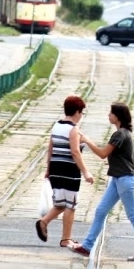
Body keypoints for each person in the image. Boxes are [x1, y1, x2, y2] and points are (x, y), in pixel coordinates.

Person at [69, 103, 134, 262]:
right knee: (100, 211)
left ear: (118, 116)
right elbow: (129, 159)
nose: (108, 115)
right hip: (118, 179)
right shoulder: (123, 133)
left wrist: (86, 140)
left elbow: (102, 154)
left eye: (111, 113)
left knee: (133, 215)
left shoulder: (120, 134)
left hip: (124, 180)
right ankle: (87, 247)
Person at [35, 96, 95, 247]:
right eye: (81, 112)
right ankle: (66, 239)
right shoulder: (73, 129)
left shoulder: (56, 126)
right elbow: (75, 152)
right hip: (69, 171)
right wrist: (86, 172)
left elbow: (51, 148)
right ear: (76, 112)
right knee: (71, 205)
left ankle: (44, 222)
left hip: (55, 168)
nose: (81, 116)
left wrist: (48, 168)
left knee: (61, 203)